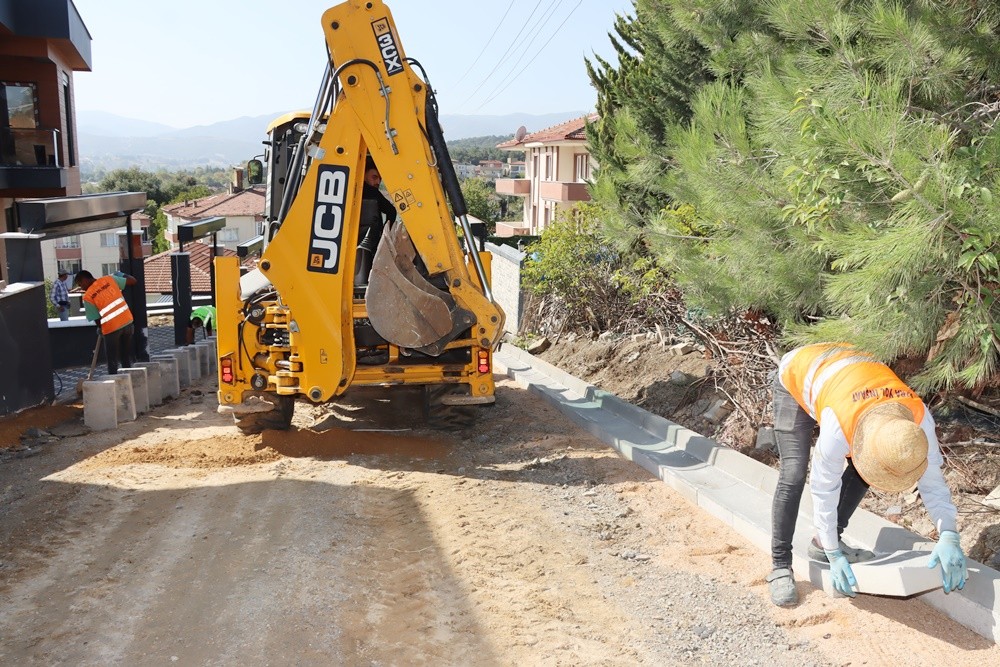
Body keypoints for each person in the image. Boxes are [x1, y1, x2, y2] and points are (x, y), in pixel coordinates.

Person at [767, 342, 967, 606]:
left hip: (848, 376)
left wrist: (949, 534)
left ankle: (821, 544)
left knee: (864, 472)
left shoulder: (916, 422)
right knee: (793, 474)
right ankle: (780, 565)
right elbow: (823, 488)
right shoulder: (839, 428)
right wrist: (834, 553)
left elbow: (932, 483)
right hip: (800, 373)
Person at [75, 269, 137, 375]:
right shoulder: (109, 279)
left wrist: (101, 329)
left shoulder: (88, 296)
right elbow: (133, 281)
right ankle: (130, 381)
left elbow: (97, 319)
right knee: (125, 356)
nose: (82, 288)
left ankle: (114, 384)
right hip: (127, 322)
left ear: (84, 280)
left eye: (80, 284)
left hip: (112, 329)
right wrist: (120, 273)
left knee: (112, 361)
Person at [356, 156, 398, 285]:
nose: (378, 182)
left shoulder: (352, 191)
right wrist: (385, 232)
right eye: (374, 177)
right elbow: (391, 211)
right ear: (363, 175)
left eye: (380, 178)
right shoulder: (373, 193)